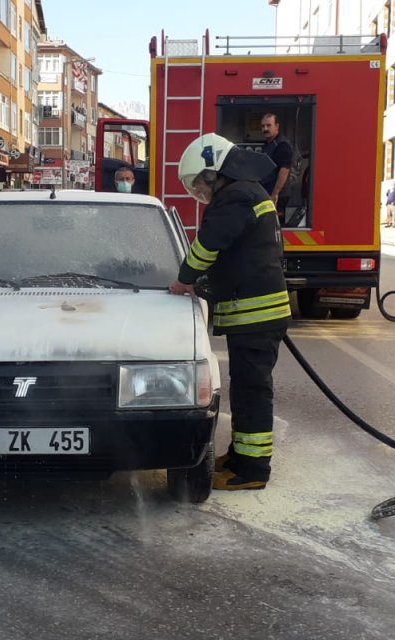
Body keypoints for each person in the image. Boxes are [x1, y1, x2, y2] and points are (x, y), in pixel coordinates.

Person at [169, 133, 288, 491]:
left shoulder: (235, 197)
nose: (202, 191)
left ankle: (252, 471)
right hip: (255, 316)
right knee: (247, 392)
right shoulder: (247, 193)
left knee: (252, 394)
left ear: (215, 171)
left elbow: (208, 245)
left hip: (255, 317)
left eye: (202, 183)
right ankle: (240, 457)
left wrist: (184, 279)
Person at [259, 113, 294, 217]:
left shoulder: (282, 145)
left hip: (277, 196)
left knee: (273, 226)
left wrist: (275, 194)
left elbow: (284, 171)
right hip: (268, 193)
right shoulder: (269, 144)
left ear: (277, 126)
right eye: (263, 126)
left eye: (269, 125)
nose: (265, 128)